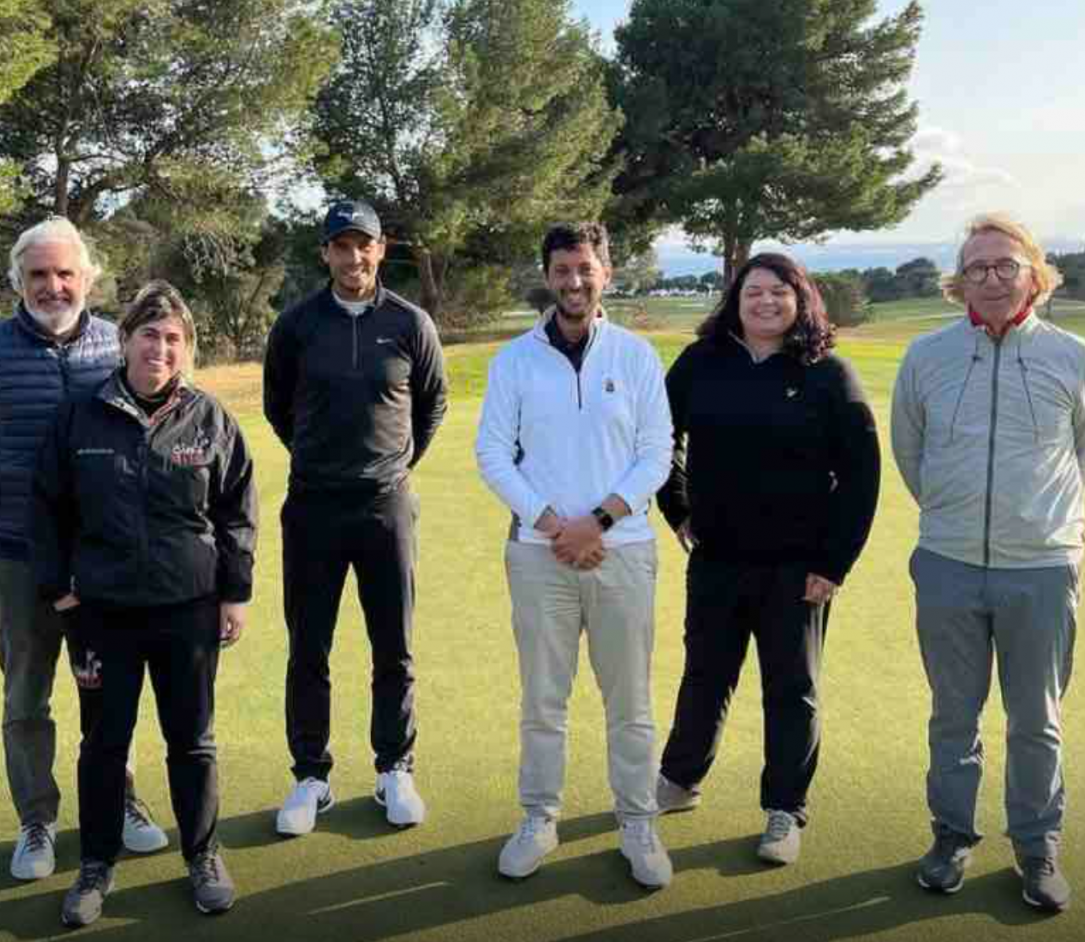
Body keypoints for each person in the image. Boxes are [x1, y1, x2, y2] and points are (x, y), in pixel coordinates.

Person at [891, 213, 1085, 912]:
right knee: (953, 715)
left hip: (1041, 569)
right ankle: (951, 835)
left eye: (1005, 266)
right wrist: (954, 515)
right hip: (948, 562)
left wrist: (1037, 525)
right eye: (976, 267)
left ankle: (1037, 848)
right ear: (959, 283)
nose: (990, 277)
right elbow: (910, 452)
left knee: (1035, 719)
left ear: (1035, 279)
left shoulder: (1076, 357)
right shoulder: (926, 356)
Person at [0, 217, 167, 881]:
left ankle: (119, 799)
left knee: (109, 690)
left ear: (87, 279)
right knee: (26, 696)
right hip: (15, 557)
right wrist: (13, 502)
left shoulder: (113, 347)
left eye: (66, 273)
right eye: (39, 274)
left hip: (100, 556)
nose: (53, 285)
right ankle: (36, 821)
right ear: (19, 281)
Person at [29, 281, 257, 926]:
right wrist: (61, 588)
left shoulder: (211, 419)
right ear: (125, 339)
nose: (160, 348)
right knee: (104, 743)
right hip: (103, 612)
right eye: (149, 335)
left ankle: (203, 854)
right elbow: (45, 507)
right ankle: (96, 865)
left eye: (174, 339)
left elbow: (237, 510)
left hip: (188, 609)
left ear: (187, 351)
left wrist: (235, 591)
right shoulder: (82, 415)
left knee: (193, 742)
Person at [653, 253, 881, 866]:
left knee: (792, 690)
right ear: (736, 299)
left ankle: (784, 809)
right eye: (754, 291)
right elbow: (657, 438)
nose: (765, 302)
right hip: (718, 559)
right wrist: (677, 508)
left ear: (801, 300)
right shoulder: (702, 362)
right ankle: (679, 780)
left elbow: (861, 477)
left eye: (780, 292)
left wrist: (833, 564)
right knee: (705, 675)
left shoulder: (829, 374)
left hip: (797, 567)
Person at [475, 221, 675, 888]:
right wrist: (554, 524)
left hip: (623, 552)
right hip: (539, 556)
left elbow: (656, 455)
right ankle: (538, 817)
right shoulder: (514, 360)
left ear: (606, 274)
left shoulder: (637, 356)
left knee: (631, 703)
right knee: (543, 700)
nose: (574, 281)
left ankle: (637, 822)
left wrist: (596, 522)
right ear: (548, 275)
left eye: (585, 268)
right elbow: (492, 454)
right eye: (562, 269)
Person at [264, 199, 448, 835]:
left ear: (381, 247)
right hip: (313, 504)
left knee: (392, 645)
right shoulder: (296, 325)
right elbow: (276, 407)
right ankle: (310, 776)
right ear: (325, 254)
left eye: (363, 245)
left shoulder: (409, 323)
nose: (353, 257)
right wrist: (322, 461)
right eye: (341, 246)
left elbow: (431, 406)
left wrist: (392, 466)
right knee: (308, 645)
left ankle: (394, 766)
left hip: (384, 506)